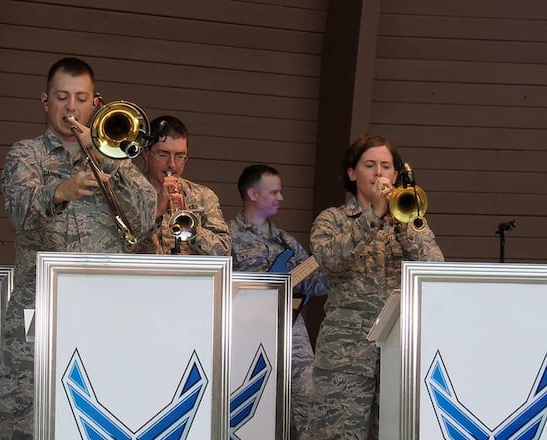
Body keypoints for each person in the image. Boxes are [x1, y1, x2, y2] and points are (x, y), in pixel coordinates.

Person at [0, 57, 158, 439]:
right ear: (45, 101)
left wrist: (103, 158)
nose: (70, 107)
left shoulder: (114, 157)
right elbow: (18, 212)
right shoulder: (25, 154)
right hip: (40, 309)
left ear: (95, 104)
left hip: (105, 310)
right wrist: (58, 192)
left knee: (101, 409)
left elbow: (146, 217)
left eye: (80, 98)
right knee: (22, 416)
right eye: (61, 97)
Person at [307, 133, 444, 439]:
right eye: (370, 165)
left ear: (396, 175)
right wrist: (373, 216)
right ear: (352, 173)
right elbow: (330, 259)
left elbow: (434, 269)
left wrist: (406, 227)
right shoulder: (333, 219)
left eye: (386, 166)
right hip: (345, 361)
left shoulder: (410, 219)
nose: (380, 173)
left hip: (399, 356)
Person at [229, 164, 329, 439]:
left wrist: (333, 264)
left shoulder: (286, 242)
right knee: (242, 396)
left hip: (288, 327)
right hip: (242, 328)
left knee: (308, 392)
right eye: (273, 192)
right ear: (252, 194)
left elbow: (317, 284)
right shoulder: (225, 236)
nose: (280, 197)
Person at [136, 115, 231, 256]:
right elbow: (116, 248)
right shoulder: (128, 193)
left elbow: (225, 252)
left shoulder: (204, 197)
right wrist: (155, 214)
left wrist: (192, 227)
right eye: (163, 154)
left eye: (180, 156)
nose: (172, 164)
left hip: (192, 277)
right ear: (146, 153)